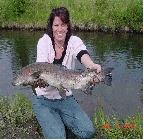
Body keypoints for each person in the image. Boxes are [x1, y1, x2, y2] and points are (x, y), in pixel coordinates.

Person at [32, 7, 101, 139]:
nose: (59, 29)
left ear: (68, 26)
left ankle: (59, 119)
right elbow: (40, 66)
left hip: (65, 98)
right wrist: (40, 80)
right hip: (43, 99)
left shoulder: (74, 41)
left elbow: (82, 55)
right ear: (51, 27)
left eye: (63, 25)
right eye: (56, 25)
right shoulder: (44, 42)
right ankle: (51, 120)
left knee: (87, 131)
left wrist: (92, 66)